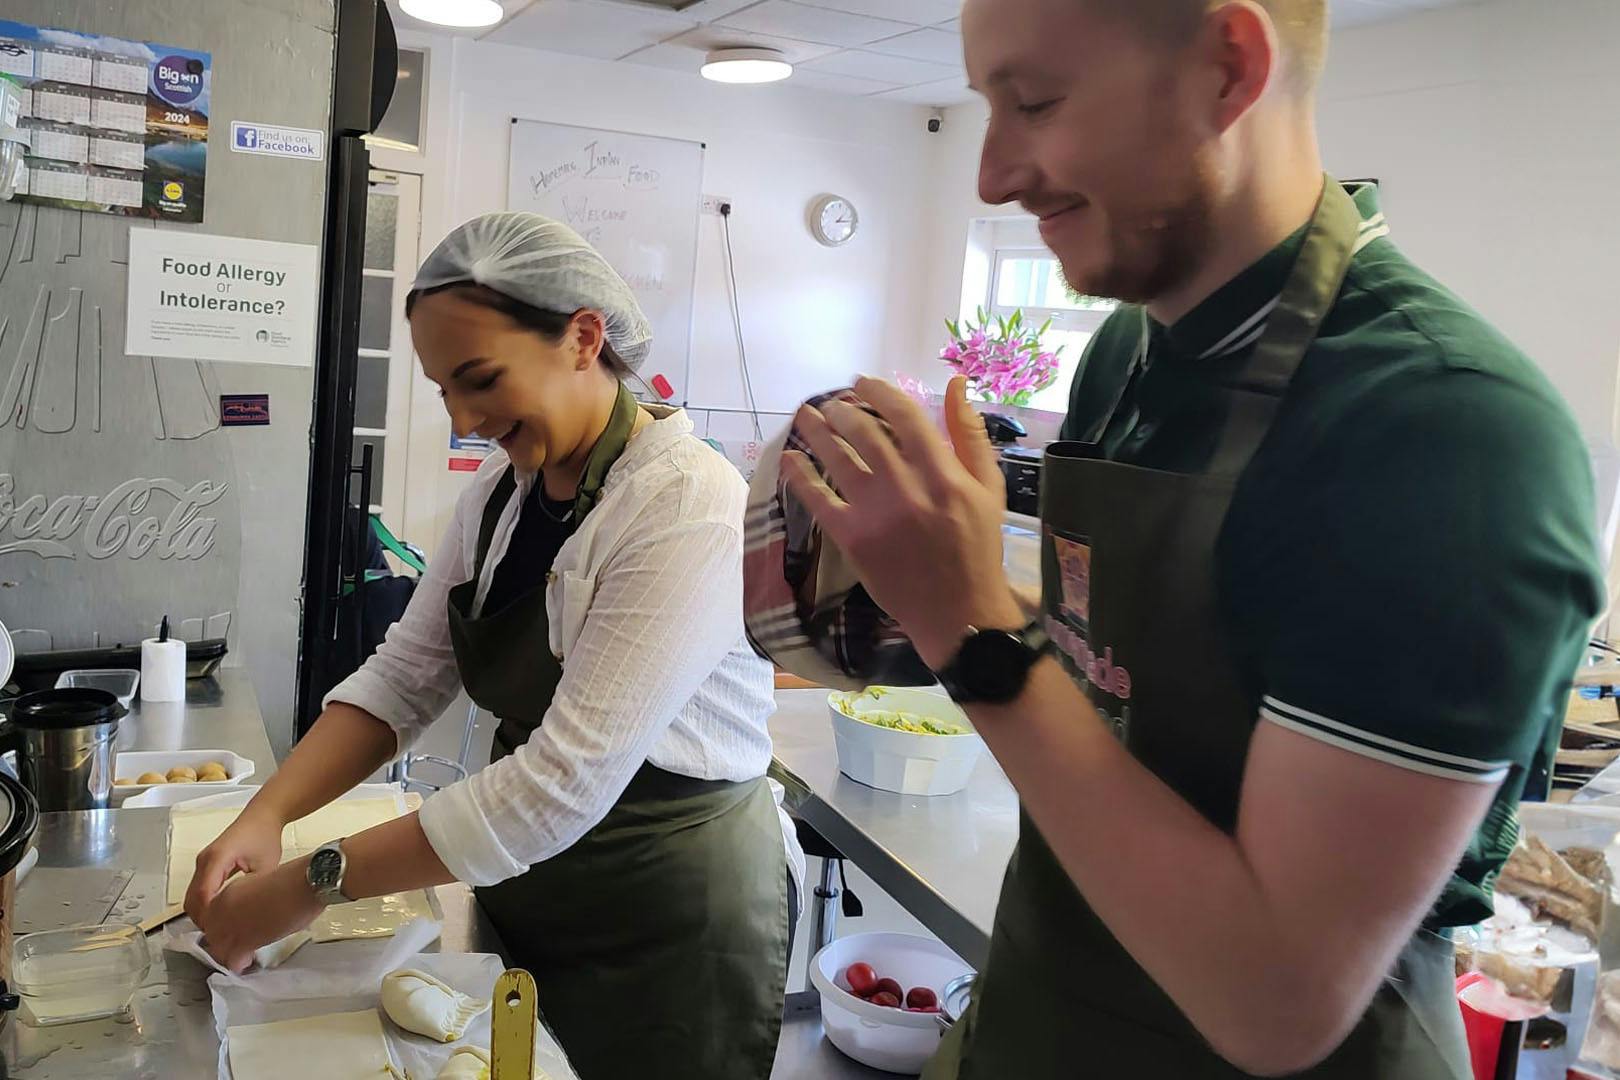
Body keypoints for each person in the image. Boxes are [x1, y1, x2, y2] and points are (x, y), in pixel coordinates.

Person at [776, 2, 1605, 1077]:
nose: (992, 175)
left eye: (1035, 103)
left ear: (1227, 69)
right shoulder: (1129, 352)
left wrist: (970, 620)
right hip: (1045, 1012)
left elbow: (1276, 999)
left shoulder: (1444, 430)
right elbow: (1123, 703)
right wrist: (952, 578)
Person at [187, 212, 798, 1080]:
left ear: (584, 337)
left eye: (480, 380)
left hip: (666, 913)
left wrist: (304, 885)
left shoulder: (685, 504)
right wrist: (267, 813)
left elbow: (559, 785)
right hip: (533, 885)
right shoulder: (503, 496)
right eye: (444, 390)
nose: (466, 419)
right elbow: (406, 678)